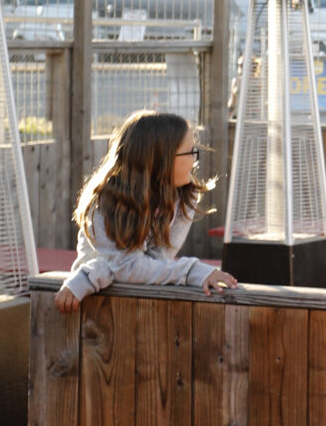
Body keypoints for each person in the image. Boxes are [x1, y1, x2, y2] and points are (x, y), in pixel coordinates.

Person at [55, 111, 236, 311]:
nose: (195, 160)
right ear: (159, 160)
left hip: (144, 303)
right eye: (190, 152)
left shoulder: (185, 197)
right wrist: (193, 271)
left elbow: (156, 262)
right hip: (93, 306)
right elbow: (126, 268)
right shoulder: (105, 202)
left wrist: (104, 270)